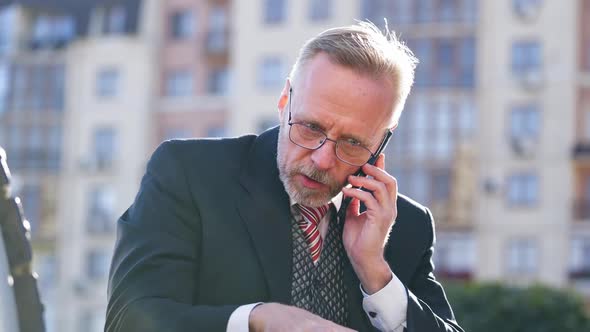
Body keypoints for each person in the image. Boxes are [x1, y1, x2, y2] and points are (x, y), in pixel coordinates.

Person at [106, 22, 464, 332]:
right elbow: (130, 320)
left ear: (383, 139)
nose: (323, 159)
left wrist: (375, 272)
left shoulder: (407, 225)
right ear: (284, 100)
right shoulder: (189, 173)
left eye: (353, 142)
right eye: (310, 127)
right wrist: (256, 320)